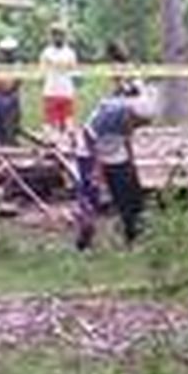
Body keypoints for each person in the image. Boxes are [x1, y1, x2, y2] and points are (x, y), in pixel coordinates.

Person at [75, 90, 157, 250]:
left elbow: (127, 137)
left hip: (115, 148)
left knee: (129, 191)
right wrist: (97, 168)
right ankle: (85, 240)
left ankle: (132, 235)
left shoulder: (134, 115)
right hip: (90, 150)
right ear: (133, 115)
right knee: (92, 194)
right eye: (139, 123)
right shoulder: (110, 114)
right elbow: (89, 136)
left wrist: (131, 161)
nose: (140, 127)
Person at [40, 22, 78, 136]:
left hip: (66, 91)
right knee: (51, 123)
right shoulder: (46, 52)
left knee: (67, 122)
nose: (57, 37)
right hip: (51, 91)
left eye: (60, 34)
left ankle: (66, 146)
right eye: (55, 34)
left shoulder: (70, 53)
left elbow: (74, 70)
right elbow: (42, 70)